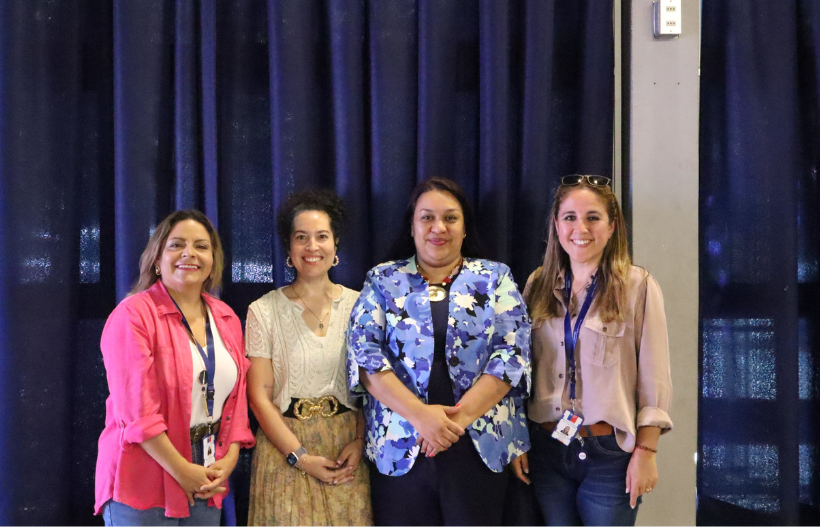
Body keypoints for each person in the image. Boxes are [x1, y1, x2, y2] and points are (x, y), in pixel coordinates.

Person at [348, 176, 532, 526]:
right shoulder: (383, 280)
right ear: (412, 227)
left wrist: (454, 423)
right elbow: (364, 353)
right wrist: (420, 416)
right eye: (427, 217)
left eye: (450, 217)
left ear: (464, 228)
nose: (438, 228)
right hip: (402, 445)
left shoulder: (495, 278)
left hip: (478, 443)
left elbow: (512, 354)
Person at [511, 175, 673, 526]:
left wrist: (646, 451)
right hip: (547, 449)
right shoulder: (537, 284)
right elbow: (520, 372)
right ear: (556, 225)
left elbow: (654, 379)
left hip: (609, 455)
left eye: (593, 217)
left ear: (612, 226)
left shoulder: (637, 287)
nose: (580, 228)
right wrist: (516, 441)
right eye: (569, 217)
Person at [95, 210, 255, 526]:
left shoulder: (226, 318)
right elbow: (138, 414)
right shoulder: (133, 316)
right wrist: (183, 471)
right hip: (144, 471)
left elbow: (236, 403)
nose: (189, 254)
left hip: (208, 471)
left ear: (213, 260)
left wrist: (229, 461)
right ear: (157, 259)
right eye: (177, 245)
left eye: (201, 246)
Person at [245, 189, 372, 526]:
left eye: (321, 237)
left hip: (345, 450)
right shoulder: (263, 311)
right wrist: (299, 457)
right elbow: (259, 396)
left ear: (335, 247)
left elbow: (370, 387)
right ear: (289, 249)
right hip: (284, 448)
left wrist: (359, 441)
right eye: (301, 238)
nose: (312, 247)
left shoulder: (362, 306)